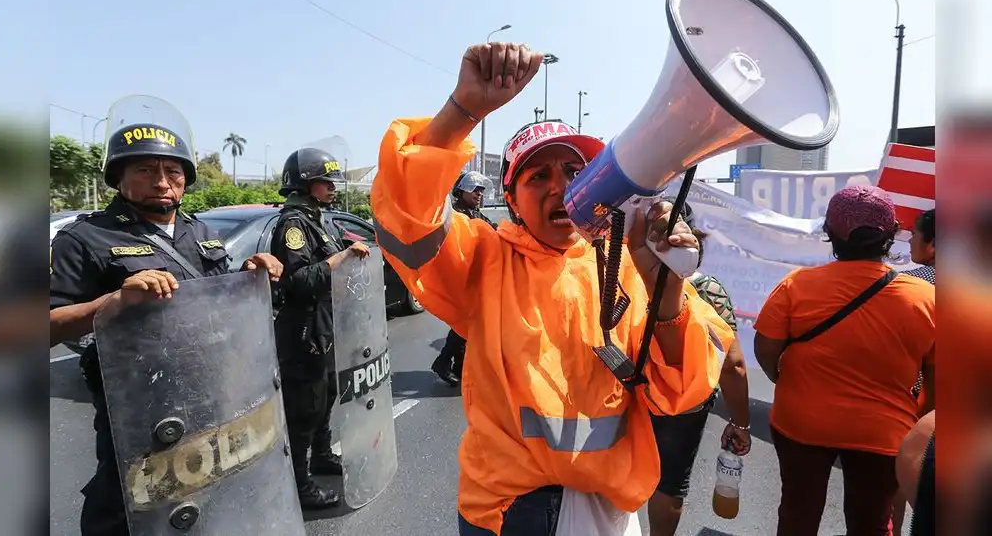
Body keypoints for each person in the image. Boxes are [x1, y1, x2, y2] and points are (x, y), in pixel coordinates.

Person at [371, 42, 732, 535]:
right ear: (513, 202)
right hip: (510, 512)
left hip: (609, 508)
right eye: (538, 175)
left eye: (575, 171)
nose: (560, 187)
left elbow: (681, 392)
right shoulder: (484, 257)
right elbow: (407, 218)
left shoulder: (622, 263)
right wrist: (463, 110)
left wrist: (664, 287)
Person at [49, 97, 283, 536]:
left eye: (172, 171)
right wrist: (112, 301)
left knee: (207, 501)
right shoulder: (85, 238)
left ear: (185, 180)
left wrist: (251, 276)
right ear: (118, 177)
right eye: (144, 170)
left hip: (212, 397)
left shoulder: (201, 232)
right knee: (131, 505)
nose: (161, 181)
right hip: (138, 408)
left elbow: (219, 299)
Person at [753, 185, 936, 536]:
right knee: (871, 522)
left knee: (797, 514)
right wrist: (916, 422)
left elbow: (766, 349)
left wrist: (786, 381)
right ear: (891, 233)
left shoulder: (796, 286)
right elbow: (938, 381)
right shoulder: (927, 298)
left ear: (829, 234)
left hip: (801, 420)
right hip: (884, 432)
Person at [270, 147, 372, 510]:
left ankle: (322, 455)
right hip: (302, 330)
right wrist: (341, 258)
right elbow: (297, 280)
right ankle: (300, 485)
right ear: (305, 183)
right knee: (304, 409)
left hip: (324, 325)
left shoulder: (317, 219)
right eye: (325, 181)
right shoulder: (293, 225)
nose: (332, 187)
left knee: (327, 394)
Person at [646, 202, 751, 536]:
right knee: (670, 483)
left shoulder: (621, 278)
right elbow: (731, 364)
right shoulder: (708, 290)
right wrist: (740, 422)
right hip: (683, 401)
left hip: (629, 389)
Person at [893, 207, 935, 534]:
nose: (909, 241)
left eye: (915, 234)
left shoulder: (913, 285)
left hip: (918, 408)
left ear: (933, 245)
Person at [431, 170, 495, 386]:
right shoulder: (456, 214)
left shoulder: (474, 212)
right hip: (461, 276)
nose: (480, 193)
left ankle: (458, 367)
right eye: (475, 189)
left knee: (469, 323)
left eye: (482, 190)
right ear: (461, 190)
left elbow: (492, 232)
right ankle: (442, 362)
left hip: (476, 276)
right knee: (465, 323)